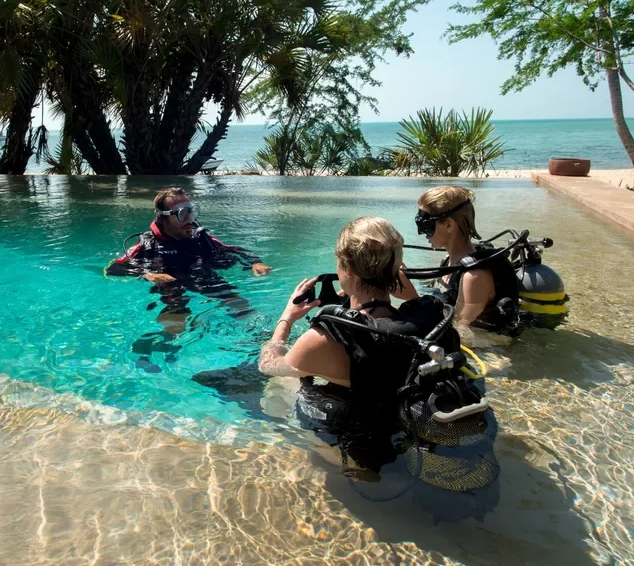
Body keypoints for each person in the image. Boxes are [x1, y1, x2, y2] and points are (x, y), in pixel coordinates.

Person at [258, 217, 464, 471]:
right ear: (398, 266)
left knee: (281, 381)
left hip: (365, 458)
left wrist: (286, 318)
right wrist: (403, 290)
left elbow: (268, 364)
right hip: (410, 435)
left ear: (349, 269)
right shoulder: (428, 319)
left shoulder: (328, 338)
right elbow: (412, 307)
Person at [106, 187, 271, 342]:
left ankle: (260, 337)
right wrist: (147, 275)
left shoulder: (199, 238)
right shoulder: (146, 245)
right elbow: (113, 269)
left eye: (191, 212)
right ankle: (165, 344)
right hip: (169, 280)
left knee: (238, 302)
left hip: (198, 274)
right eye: (182, 214)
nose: (190, 220)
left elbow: (232, 249)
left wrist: (255, 262)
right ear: (163, 218)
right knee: (177, 318)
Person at [414, 186, 520, 333]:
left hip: (486, 348)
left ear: (449, 225)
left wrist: (411, 298)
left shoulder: (474, 277)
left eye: (426, 226)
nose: (421, 233)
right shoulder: (448, 261)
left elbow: (458, 328)